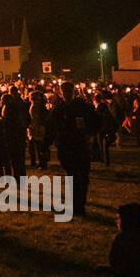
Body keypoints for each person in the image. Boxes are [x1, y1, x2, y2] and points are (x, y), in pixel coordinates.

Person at [49, 81, 98, 218]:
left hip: (80, 146)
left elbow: (95, 121)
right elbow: (52, 126)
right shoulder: (59, 109)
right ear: (60, 93)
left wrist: (88, 130)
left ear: (73, 92)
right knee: (74, 177)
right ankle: (77, 206)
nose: (67, 95)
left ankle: (79, 204)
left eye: (69, 92)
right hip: (66, 147)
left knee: (82, 177)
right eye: (64, 92)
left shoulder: (82, 106)